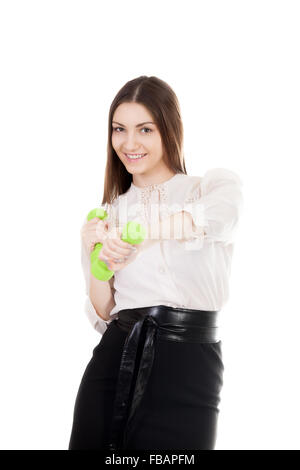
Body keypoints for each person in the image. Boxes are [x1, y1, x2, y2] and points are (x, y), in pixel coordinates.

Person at [68, 75, 244, 450]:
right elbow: (105, 308)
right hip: (118, 354)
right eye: (119, 129)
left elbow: (216, 219)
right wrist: (94, 252)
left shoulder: (210, 188)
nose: (129, 143)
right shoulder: (107, 215)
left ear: (169, 129)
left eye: (144, 129)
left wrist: (142, 234)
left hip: (191, 363)